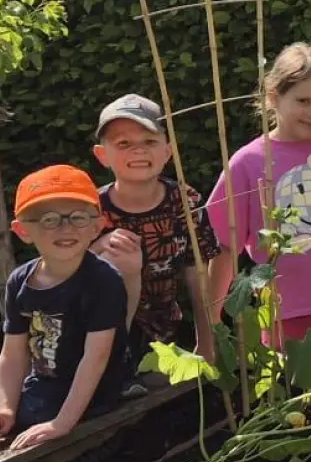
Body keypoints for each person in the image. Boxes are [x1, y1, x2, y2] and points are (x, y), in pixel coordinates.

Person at [207, 43, 311, 351]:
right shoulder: (247, 162)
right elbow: (225, 248)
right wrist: (211, 322)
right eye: (303, 101)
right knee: (291, 391)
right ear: (273, 97)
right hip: (284, 305)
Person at [0, 165, 128, 453]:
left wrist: (62, 423)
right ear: (23, 230)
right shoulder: (20, 281)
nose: (66, 228)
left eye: (77, 217)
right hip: (42, 387)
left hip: (93, 392)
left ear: (96, 225)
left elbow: (96, 358)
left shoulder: (103, 281)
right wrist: (6, 408)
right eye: (49, 220)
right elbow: (13, 353)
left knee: (28, 445)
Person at [91, 94, 222, 377]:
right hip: (97, 332)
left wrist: (207, 343)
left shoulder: (184, 202)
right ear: (103, 155)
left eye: (150, 141)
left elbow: (197, 272)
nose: (138, 151)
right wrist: (97, 246)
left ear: (167, 151)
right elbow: (63, 268)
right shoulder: (90, 210)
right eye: (123, 143)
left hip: (163, 331)